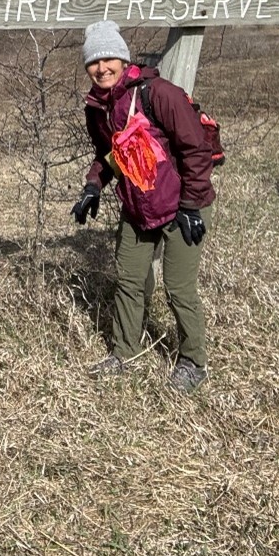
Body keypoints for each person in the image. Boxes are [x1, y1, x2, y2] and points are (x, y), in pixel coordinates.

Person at [71, 19, 215, 394]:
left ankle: (193, 361)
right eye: (93, 62)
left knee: (179, 288)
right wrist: (93, 185)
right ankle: (125, 352)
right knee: (129, 280)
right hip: (138, 205)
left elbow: (195, 149)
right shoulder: (96, 108)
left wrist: (191, 205)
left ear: (123, 58)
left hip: (183, 203)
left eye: (109, 59)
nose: (101, 68)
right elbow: (108, 155)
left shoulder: (159, 93)